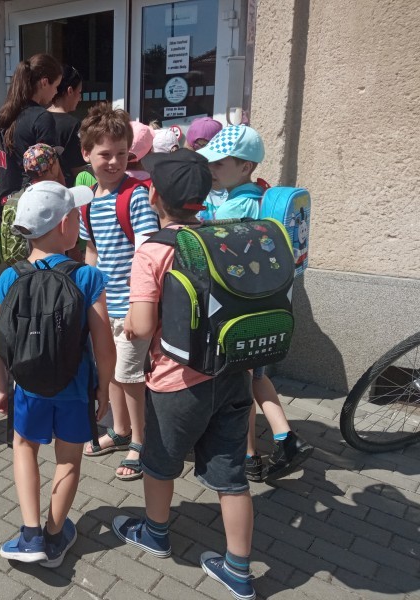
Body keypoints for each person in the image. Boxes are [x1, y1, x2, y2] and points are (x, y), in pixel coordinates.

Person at [116, 149, 256, 600]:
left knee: (159, 463)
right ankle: (238, 570)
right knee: (231, 477)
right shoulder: (221, 236)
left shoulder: (154, 249)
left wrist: (126, 323)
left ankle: (155, 534)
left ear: (154, 196)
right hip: (231, 373)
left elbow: (141, 327)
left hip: (177, 382)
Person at [0, 181, 115, 567]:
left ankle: (30, 535)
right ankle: (55, 537)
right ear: (64, 225)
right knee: (69, 460)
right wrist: (104, 389)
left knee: (24, 448)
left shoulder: (9, 278)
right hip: (76, 389)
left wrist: (2, 387)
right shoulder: (87, 277)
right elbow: (104, 345)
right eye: (76, 215)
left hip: (28, 388)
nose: (79, 220)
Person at [198, 125, 314, 482]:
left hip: (240, 308)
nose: (212, 169)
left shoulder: (236, 205)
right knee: (257, 376)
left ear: (245, 166)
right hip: (263, 304)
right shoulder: (259, 195)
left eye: (219, 163)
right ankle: (286, 438)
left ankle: (248, 455)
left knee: (241, 384)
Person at [78, 103, 159, 481]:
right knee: (109, 371)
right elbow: (92, 252)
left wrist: (134, 309)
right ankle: (120, 429)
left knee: (129, 376)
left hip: (131, 306)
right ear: (86, 154)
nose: (114, 162)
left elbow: (147, 255)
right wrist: (88, 298)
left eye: (122, 154)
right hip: (104, 305)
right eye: (105, 154)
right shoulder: (88, 201)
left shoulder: (136, 196)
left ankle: (140, 441)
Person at [0, 53, 62, 215]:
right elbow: (49, 167)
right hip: (32, 207)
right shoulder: (42, 118)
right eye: (56, 86)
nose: (56, 92)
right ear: (44, 82)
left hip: (7, 207)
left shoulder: (5, 115)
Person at [47, 65, 87, 187]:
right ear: (70, 91)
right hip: (65, 190)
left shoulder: (37, 119)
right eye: (79, 92)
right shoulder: (72, 125)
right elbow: (78, 169)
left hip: (38, 188)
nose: (80, 98)